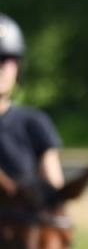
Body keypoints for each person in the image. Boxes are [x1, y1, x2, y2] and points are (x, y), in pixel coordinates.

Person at [0, 14, 65, 188]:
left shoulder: (34, 123)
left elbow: (54, 192)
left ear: (18, 67)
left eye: (4, 59)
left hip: (22, 206)